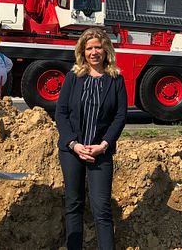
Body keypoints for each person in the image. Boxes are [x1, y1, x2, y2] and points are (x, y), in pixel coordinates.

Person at [55, 27, 127, 250]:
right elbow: (61, 112)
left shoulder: (116, 79)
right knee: (74, 204)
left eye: (98, 47)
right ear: (82, 52)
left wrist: (104, 145)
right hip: (72, 151)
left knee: (101, 208)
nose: (94, 52)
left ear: (106, 50)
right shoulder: (73, 77)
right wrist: (74, 144)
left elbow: (120, 116)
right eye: (89, 48)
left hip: (101, 152)